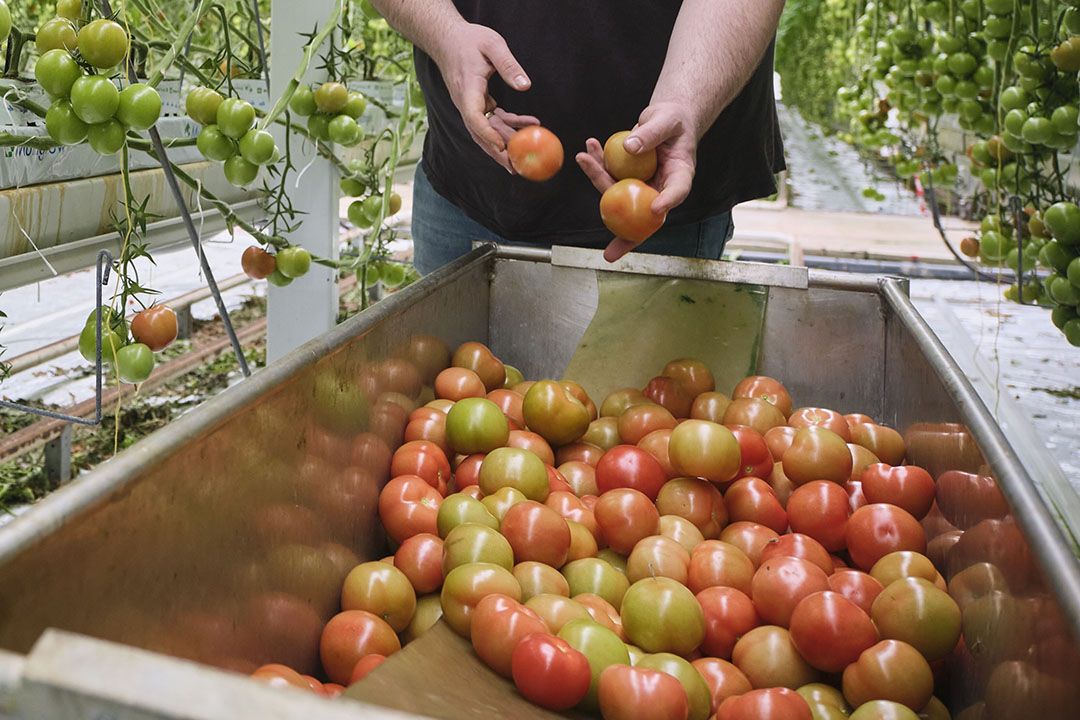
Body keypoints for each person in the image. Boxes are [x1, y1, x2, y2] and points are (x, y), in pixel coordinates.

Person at [370, 1, 787, 274]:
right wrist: (444, 33)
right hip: (467, 191)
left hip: (657, 204)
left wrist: (686, 101)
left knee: (650, 400)